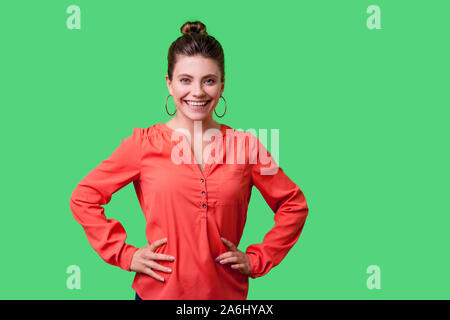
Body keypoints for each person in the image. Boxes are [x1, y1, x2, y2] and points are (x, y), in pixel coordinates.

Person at [69, 20, 309, 300]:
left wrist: (257, 259)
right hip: (156, 295)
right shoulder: (142, 144)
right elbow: (83, 197)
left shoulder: (247, 147)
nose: (197, 92)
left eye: (209, 80)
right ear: (169, 84)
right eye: (185, 80)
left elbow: (293, 205)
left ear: (222, 85)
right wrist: (125, 254)